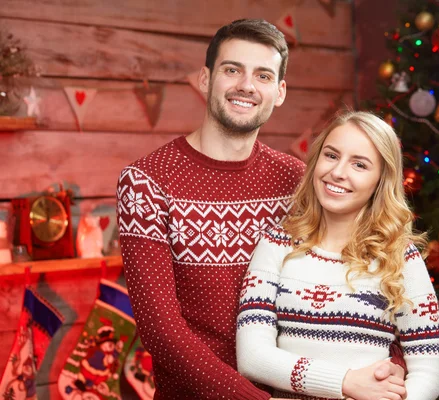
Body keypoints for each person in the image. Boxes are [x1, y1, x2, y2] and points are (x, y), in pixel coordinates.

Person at [117, 19, 406, 400]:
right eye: (232, 69)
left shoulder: (296, 180)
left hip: (303, 389)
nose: (246, 86)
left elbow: (367, 277)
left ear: (280, 91)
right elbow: (162, 332)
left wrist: (389, 370)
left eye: (263, 75)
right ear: (205, 80)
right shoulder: (146, 182)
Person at [237, 111, 439, 400]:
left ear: (380, 181)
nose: (338, 172)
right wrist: (345, 382)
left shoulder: (401, 257)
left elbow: (428, 370)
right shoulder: (276, 244)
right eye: (332, 156)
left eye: (359, 164)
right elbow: (252, 358)